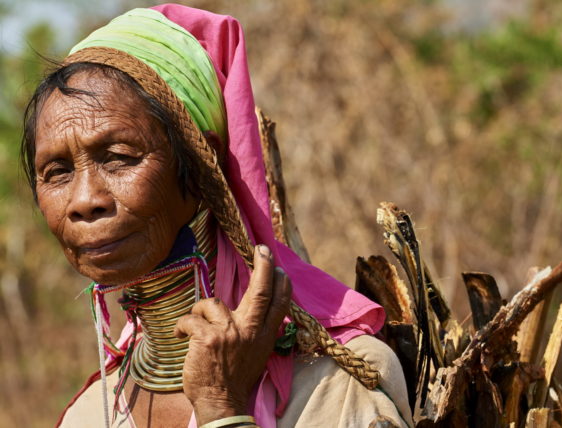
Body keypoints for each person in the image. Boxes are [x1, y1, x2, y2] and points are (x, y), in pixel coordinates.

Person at [22, 4, 413, 428]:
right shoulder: (90, 416)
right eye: (57, 172)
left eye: (118, 157)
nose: (84, 200)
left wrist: (221, 406)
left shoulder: (335, 387)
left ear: (203, 163)